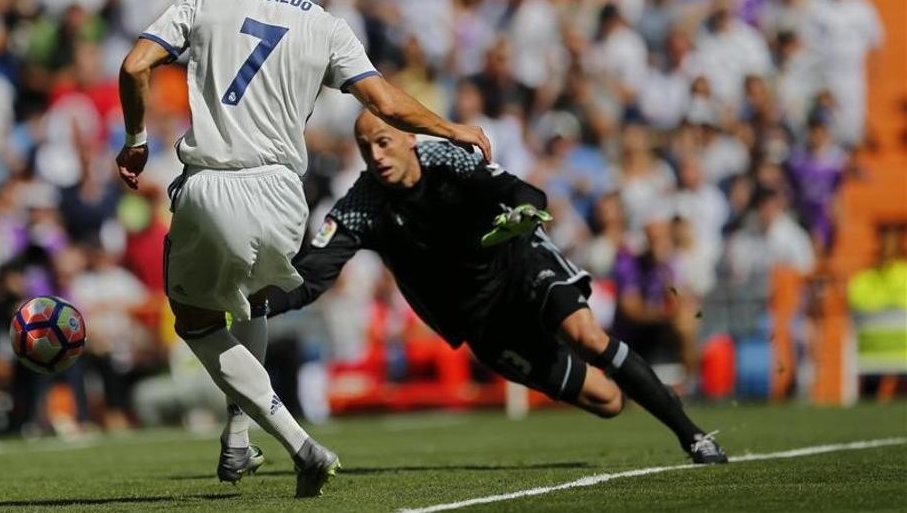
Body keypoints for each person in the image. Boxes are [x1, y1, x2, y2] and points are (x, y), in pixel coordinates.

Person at [113, 0, 490, 497]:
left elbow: (136, 64)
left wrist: (136, 141)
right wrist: (453, 129)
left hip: (216, 184)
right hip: (287, 196)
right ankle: (239, 431)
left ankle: (300, 443)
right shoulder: (327, 25)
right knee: (256, 296)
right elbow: (386, 103)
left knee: (197, 320)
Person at [267, 111, 728, 464]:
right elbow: (309, 278)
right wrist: (253, 305)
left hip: (521, 265)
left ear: (410, 137)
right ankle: (638, 385)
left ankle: (693, 435)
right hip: (483, 320)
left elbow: (523, 192)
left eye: (384, 142)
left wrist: (522, 213)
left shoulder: (445, 158)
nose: (377, 156)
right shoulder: (361, 205)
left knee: (588, 337)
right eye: (366, 148)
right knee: (607, 401)